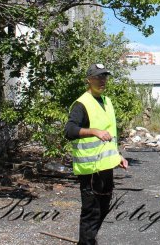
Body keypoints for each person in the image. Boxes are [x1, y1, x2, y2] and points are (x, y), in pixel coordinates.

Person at [65, 63, 129, 245]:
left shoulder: (106, 101)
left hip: (106, 167)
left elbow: (110, 136)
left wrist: (117, 156)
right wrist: (93, 131)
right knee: (91, 212)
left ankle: (88, 241)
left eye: (104, 77)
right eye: (98, 77)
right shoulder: (81, 104)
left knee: (103, 208)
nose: (102, 81)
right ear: (89, 80)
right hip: (90, 169)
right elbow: (69, 130)